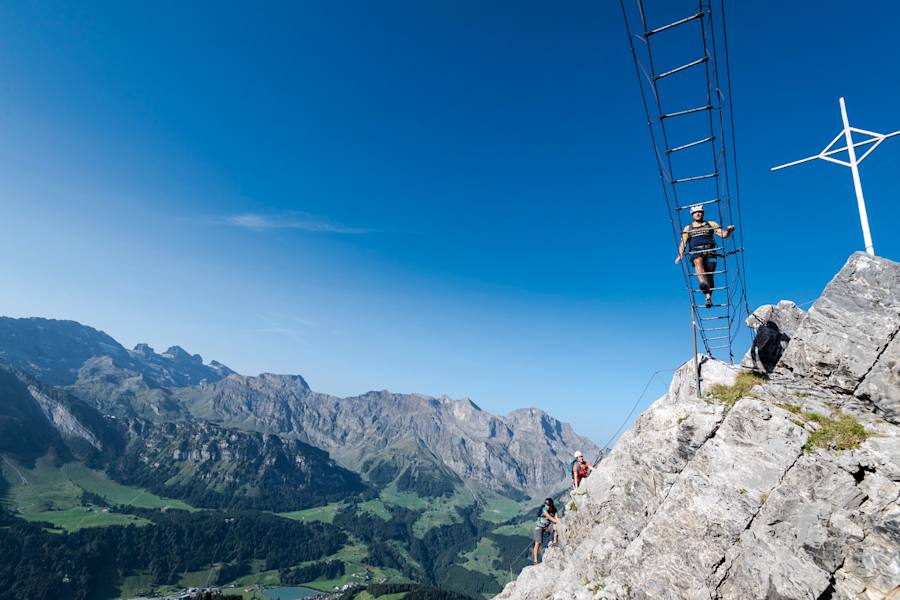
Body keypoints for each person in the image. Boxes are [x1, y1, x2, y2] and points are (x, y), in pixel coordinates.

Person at [675, 205, 735, 308]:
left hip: (710, 251)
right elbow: (683, 243)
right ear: (692, 215)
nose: (698, 214)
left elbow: (724, 235)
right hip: (696, 250)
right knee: (697, 261)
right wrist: (680, 256)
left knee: (710, 275)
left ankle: (708, 298)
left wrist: (729, 230)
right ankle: (703, 283)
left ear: (703, 213)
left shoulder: (711, 224)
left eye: (700, 212)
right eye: (695, 212)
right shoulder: (688, 228)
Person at [532, 497, 560, 564]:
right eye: (546, 505)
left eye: (548, 505)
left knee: (555, 527)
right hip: (539, 527)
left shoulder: (554, 510)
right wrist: (558, 521)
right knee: (538, 543)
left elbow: (557, 518)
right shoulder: (544, 509)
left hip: (547, 526)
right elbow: (550, 518)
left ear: (551, 505)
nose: (546, 506)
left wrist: (560, 521)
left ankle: (555, 541)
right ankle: (535, 560)